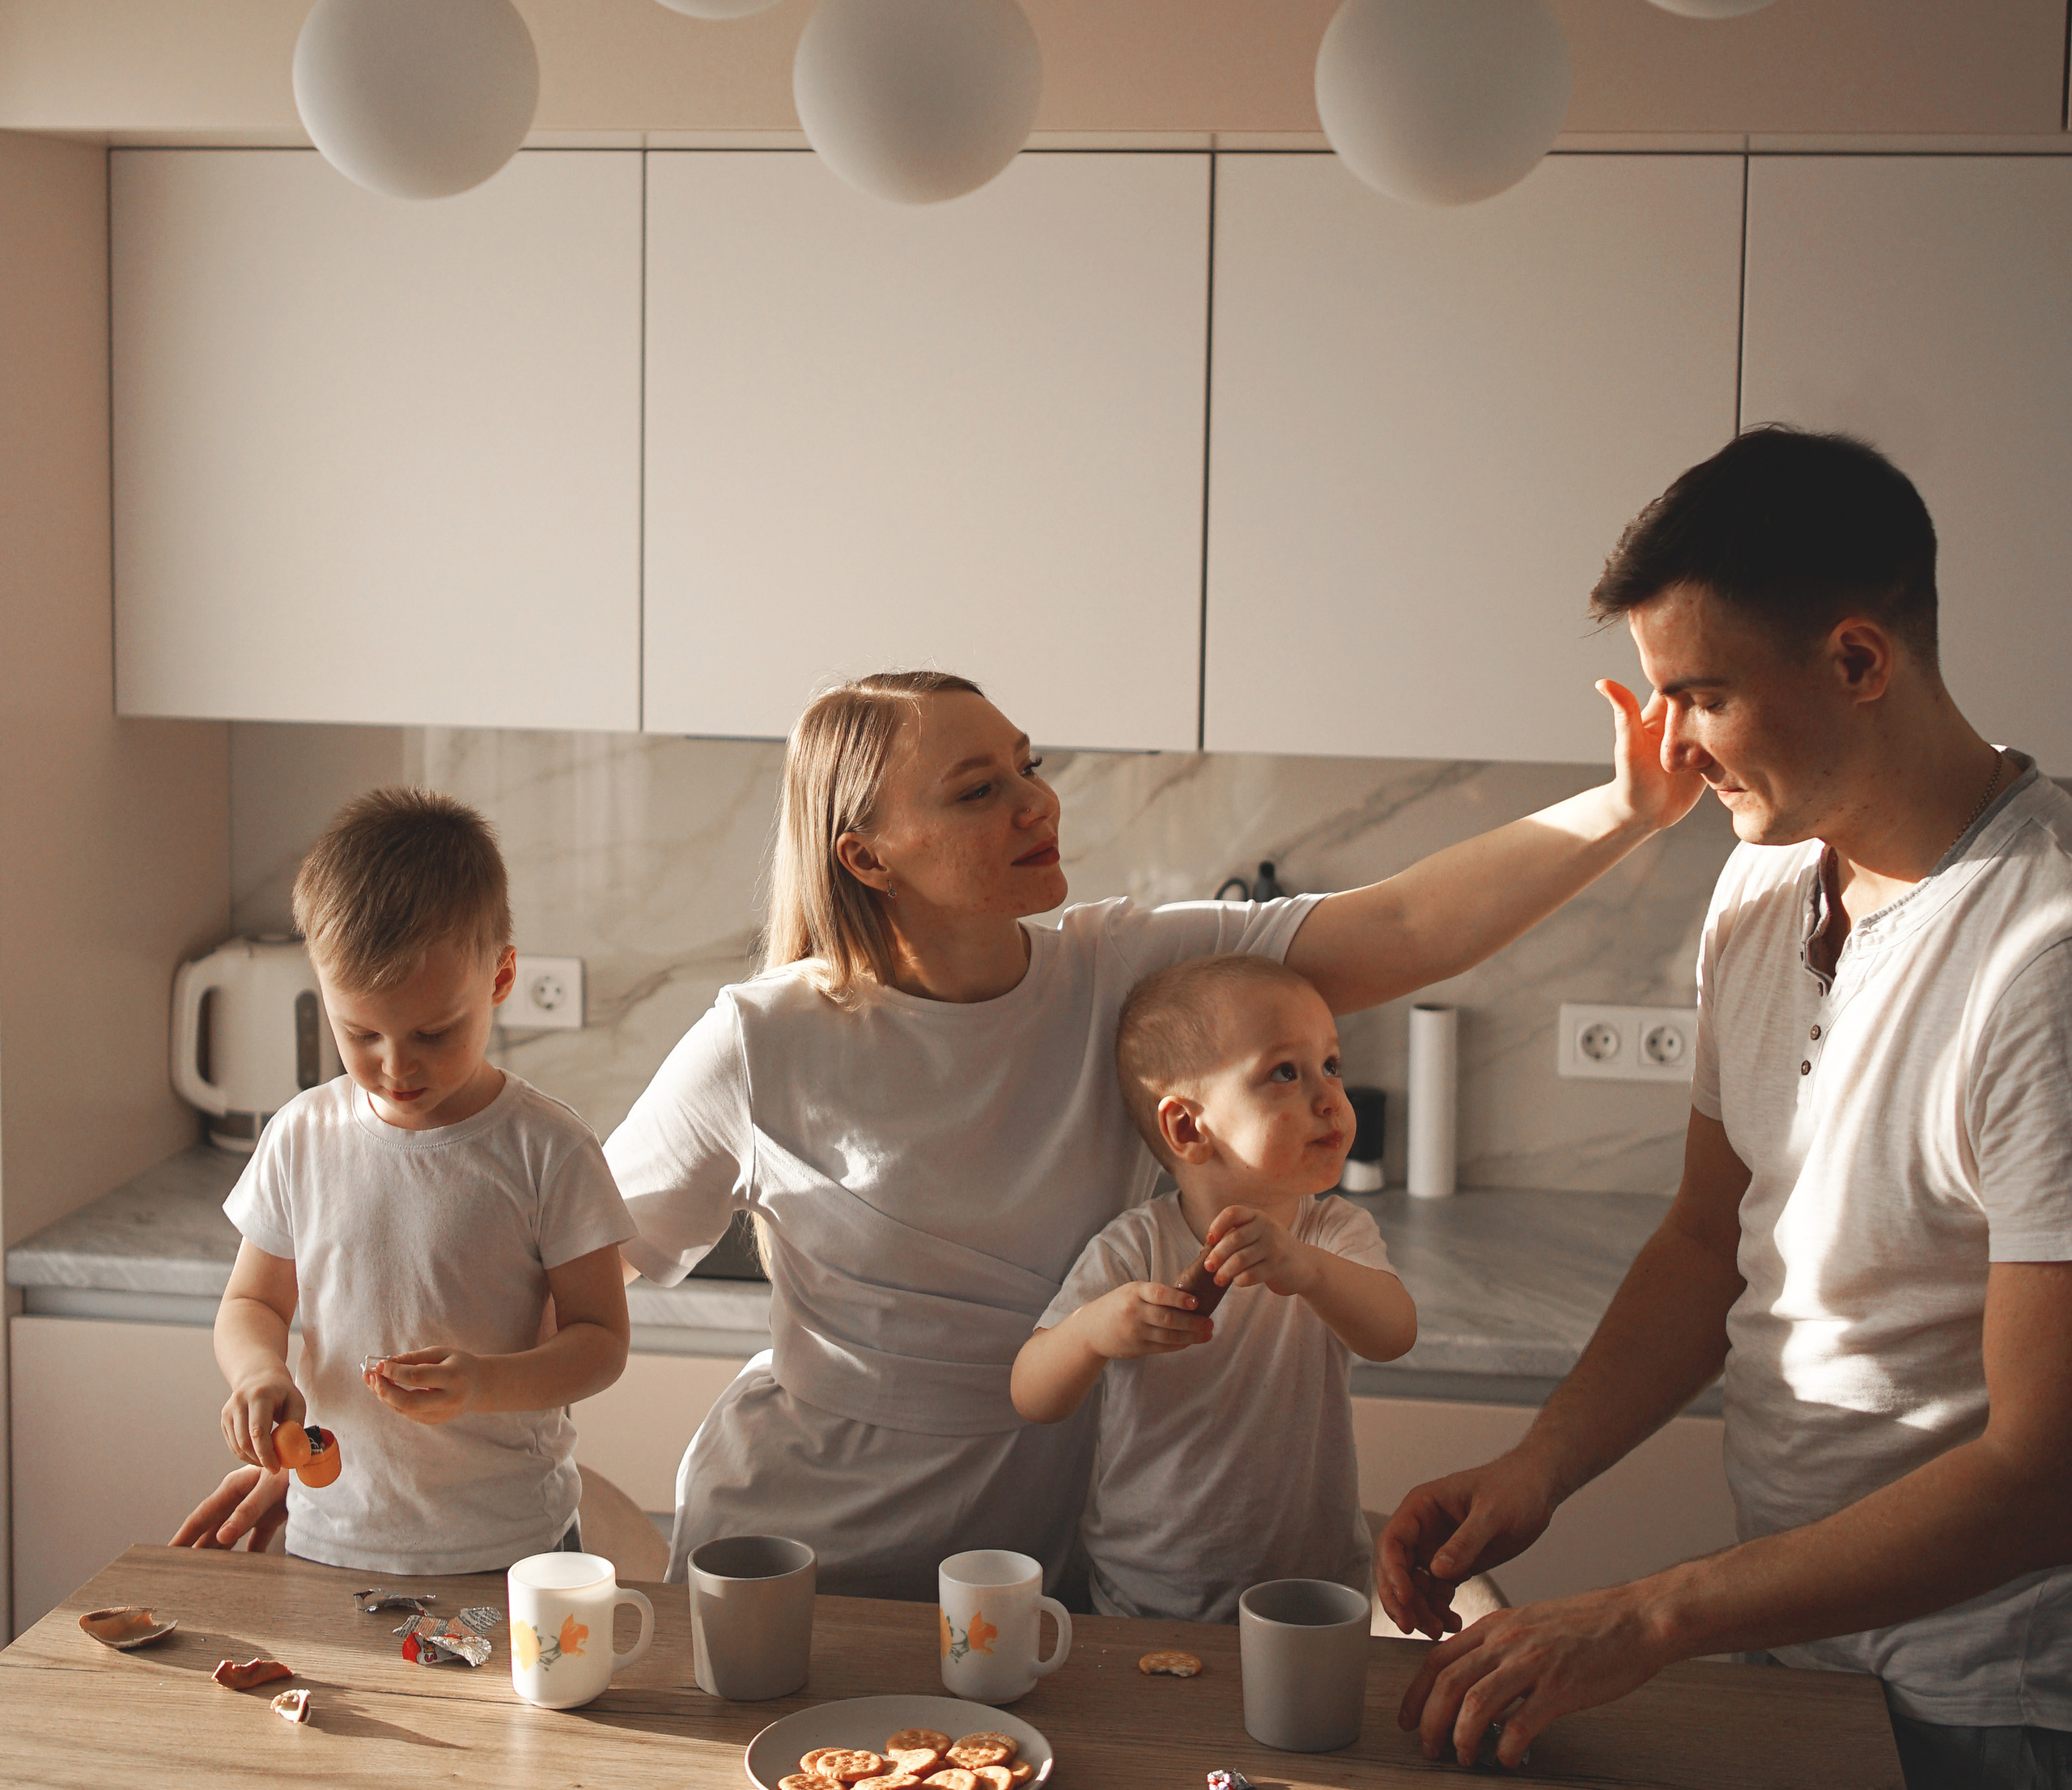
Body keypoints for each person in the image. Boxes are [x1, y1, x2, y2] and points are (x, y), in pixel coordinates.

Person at [184, 668, 1698, 1588]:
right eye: (980, 788)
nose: (1036, 799)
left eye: (1026, 765)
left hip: (1050, 1559)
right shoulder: (762, 1038)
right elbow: (543, 1273)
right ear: (871, 854)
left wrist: (1623, 812)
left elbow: (1407, 922)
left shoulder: (1124, 962)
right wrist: (339, 1430)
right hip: (795, 1556)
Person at [1379, 429, 2072, 1790]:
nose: (1672, 750)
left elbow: (2044, 1468)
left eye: (1700, 696)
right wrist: (1543, 1467)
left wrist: (1647, 1615)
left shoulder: (2042, 960)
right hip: (1792, 1649)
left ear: (1859, 662)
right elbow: (1709, 1242)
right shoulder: (1763, 885)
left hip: (1990, 1696)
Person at [206, 787, 635, 1572]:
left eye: (433, 1031)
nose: (396, 1066)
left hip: (510, 1543)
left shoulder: (549, 1147)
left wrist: (486, 1383)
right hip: (331, 1534)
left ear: (501, 977)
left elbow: (600, 1343)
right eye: (360, 1032)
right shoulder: (302, 1134)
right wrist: (260, 1369)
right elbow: (253, 1301)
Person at [1010, 952, 1415, 1622]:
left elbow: (1395, 1333)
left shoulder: (1331, 1232)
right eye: (1285, 1072)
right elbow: (1032, 1394)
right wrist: (1092, 1333)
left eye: (1331, 1066)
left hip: (1310, 1594)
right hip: (1146, 1590)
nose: (1329, 1097)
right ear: (1187, 1128)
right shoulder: (1135, 1246)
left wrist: (1308, 1272)